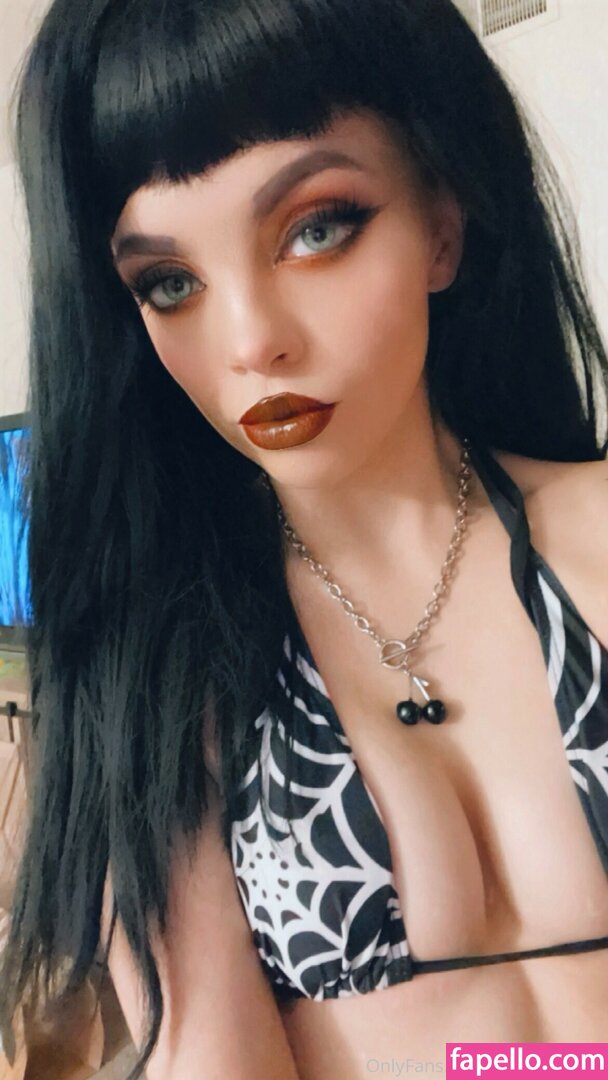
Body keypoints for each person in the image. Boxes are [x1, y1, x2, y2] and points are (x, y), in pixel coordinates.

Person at [1, 0, 607, 1076]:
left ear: (443, 220)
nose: (251, 342)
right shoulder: (160, 666)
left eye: (315, 228)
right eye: (169, 284)